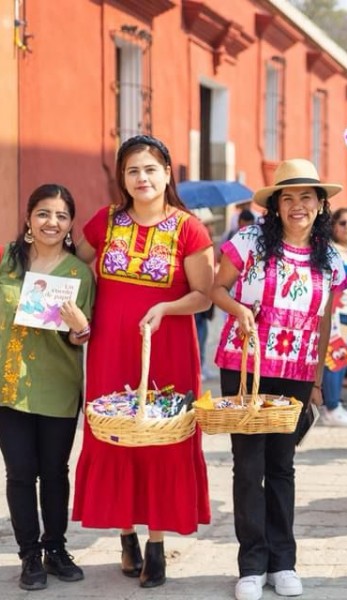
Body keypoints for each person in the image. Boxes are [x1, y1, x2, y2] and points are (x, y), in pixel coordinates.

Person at [72, 135, 214, 588]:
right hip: (112, 349)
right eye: (132, 170)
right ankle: (126, 534)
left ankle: (156, 542)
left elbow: (203, 296)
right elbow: (72, 270)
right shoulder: (105, 222)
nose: (142, 178)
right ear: (122, 178)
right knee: (115, 433)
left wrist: (166, 308)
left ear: (168, 173)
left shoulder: (190, 228)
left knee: (161, 438)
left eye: (151, 168)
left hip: (167, 347)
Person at [210, 158, 347, 600]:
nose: (297, 205)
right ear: (276, 205)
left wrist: (315, 377)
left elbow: (326, 318)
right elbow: (216, 289)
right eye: (288, 197)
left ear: (321, 204)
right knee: (248, 466)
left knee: (281, 466)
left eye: (307, 197)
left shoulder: (330, 258)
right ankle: (251, 564)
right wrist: (240, 311)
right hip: (244, 367)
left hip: (295, 370)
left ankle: (283, 562)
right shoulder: (249, 241)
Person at [0, 184, 95, 591]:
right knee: (20, 473)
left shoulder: (79, 274)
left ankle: (55, 549)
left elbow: (83, 335)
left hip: (57, 386)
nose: (51, 222)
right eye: (43, 213)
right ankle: (29, 556)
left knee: (55, 472)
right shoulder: (8, 262)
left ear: (71, 224)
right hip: (9, 386)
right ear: (28, 219)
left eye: (60, 216)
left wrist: (79, 328)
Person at [320, 207, 347, 427]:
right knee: (334, 363)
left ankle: (335, 404)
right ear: (334, 225)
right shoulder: (330, 252)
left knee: (343, 363)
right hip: (337, 317)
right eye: (342, 223)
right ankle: (331, 407)